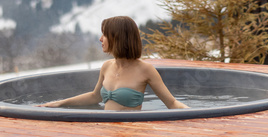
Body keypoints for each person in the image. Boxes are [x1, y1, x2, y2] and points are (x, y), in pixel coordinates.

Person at [40, 16, 188, 111]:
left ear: (118, 38)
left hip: (131, 133)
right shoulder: (107, 66)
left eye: (104, 34)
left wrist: (197, 115)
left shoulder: (145, 70)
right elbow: (95, 96)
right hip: (107, 130)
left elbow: (172, 103)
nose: (100, 39)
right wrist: (59, 103)